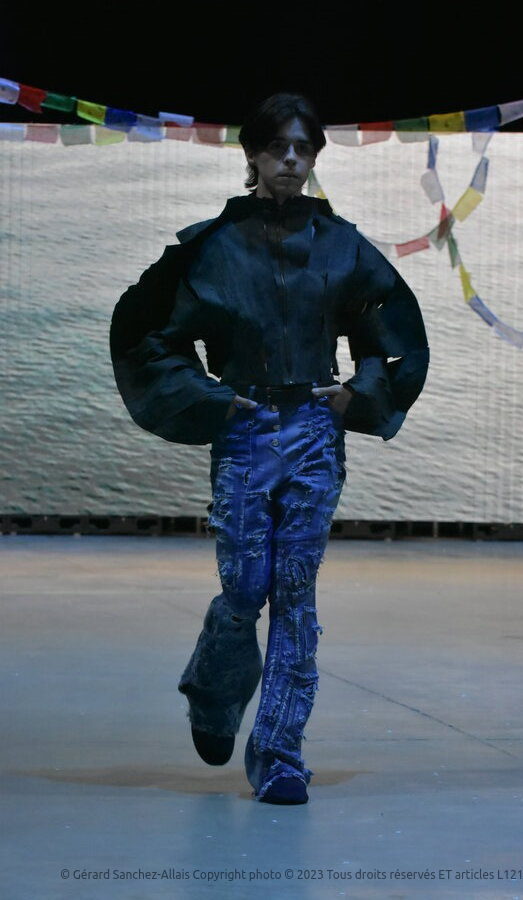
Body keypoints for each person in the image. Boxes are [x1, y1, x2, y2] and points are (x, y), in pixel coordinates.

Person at [109, 92, 429, 805]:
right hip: (247, 428)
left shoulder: (343, 245)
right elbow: (148, 335)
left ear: (314, 158)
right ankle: (215, 690)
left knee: (295, 591)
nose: (290, 160)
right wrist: (211, 399)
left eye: (303, 149)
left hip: (313, 430)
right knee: (246, 586)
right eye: (278, 147)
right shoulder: (212, 246)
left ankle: (281, 754)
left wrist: (357, 395)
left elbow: (391, 332)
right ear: (252, 154)